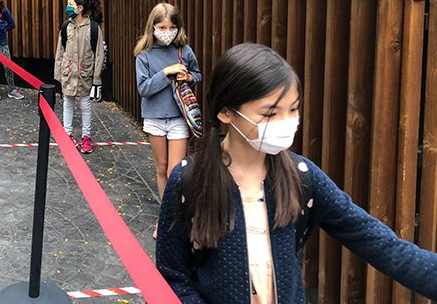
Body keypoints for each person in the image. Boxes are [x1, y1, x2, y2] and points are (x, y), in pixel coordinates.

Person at [156, 43, 437, 303]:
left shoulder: (303, 177)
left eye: (293, 109)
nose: (287, 122)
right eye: (270, 113)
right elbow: (172, 276)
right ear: (226, 112)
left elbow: (381, 244)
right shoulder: (188, 180)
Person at [134, 3, 201, 239]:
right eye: (162, 27)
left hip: (178, 118)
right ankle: (166, 217)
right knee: (161, 167)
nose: (167, 32)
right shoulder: (144, 55)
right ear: (152, 27)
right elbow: (144, 88)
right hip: (154, 117)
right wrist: (166, 73)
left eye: (172, 27)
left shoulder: (184, 50)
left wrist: (188, 76)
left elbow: (197, 75)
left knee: (175, 171)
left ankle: (177, 216)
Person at [54, 0, 105, 154]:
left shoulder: (93, 28)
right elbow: (60, 51)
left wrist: (96, 78)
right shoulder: (66, 27)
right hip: (68, 73)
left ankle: (86, 137)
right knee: (67, 103)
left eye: (71, 4)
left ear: (80, 8)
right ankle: (67, 134)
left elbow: (99, 54)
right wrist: (58, 73)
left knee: (85, 105)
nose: (67, 7)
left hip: (85, 74)